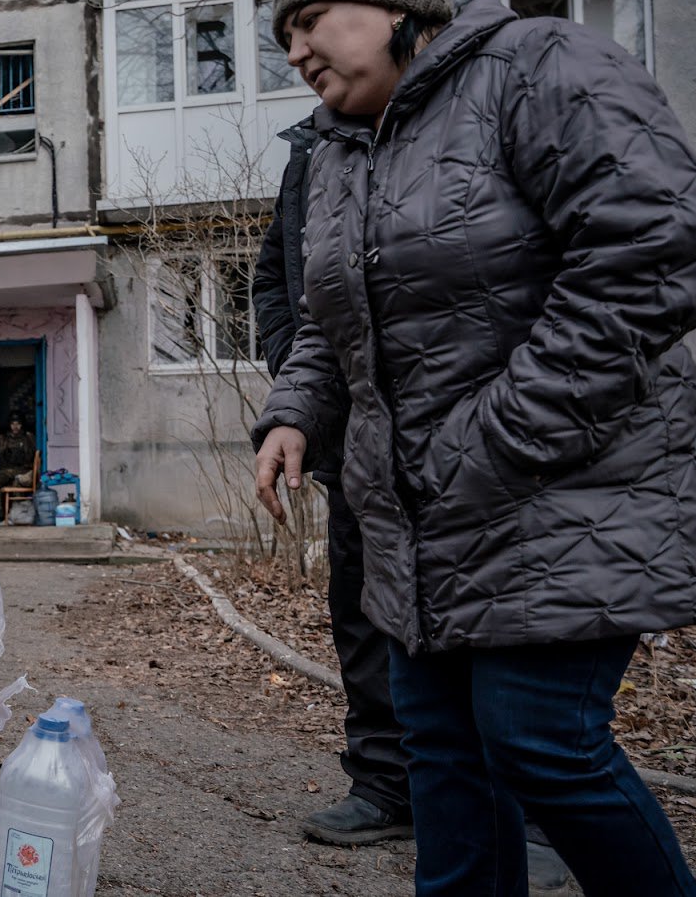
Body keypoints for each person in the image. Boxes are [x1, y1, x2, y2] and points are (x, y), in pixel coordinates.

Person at [253, 0, 696, 897]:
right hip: (414, 509)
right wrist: (293, 410)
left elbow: (651, 248)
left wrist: (497, 434)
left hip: (564, 486)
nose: (292, 49)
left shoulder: (538, 66)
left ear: (396, 4)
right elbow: (335, 316)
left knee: (543, 745)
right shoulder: (338, 150)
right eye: (283, 33)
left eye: (312, 18)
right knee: (445, 760)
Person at [253, 120, 414, 847]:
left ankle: (524, 812)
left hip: (462, 428)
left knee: (483, 621)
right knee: (362, 612)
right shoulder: (314, 155)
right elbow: (278, 284)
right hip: (352, 432)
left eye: (312, 27)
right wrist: (305, 386)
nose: (298, 54)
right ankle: (385, 785)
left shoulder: (453, 118)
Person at [0, 415, 36, 519]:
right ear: (9, 425)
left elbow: (36, 452)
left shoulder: (28, 437)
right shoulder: (4, 438)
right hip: (6, 471)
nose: (15, 426)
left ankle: (17, 514)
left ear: (22, 425)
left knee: (18, 483)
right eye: (13, 424)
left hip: (23, 470)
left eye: (18, 424)